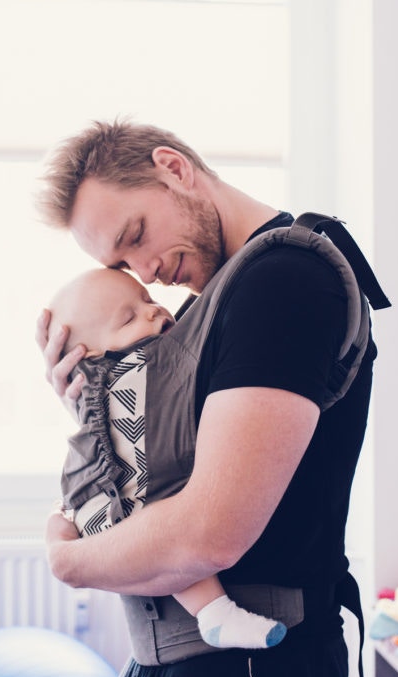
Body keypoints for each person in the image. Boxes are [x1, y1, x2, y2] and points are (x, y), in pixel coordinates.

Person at [34, 119, 382, 677]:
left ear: (174, 168)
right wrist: (97, 400)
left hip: (253, 670)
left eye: (137, 235)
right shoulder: (208, 305)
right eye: (123, 264)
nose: (146, 273)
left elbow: (207, 536)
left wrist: (72, 562)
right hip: (193, 665)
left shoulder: (283, 281)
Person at [47, 266, 288, 651]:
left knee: (162, 524)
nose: (153, 312)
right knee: (160, 525)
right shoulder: (139, 366)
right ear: (87, 355)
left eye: (148, 300)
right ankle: (215, 612)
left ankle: (214, 615)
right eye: (128, 318)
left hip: (94, 506)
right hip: (108, 507)